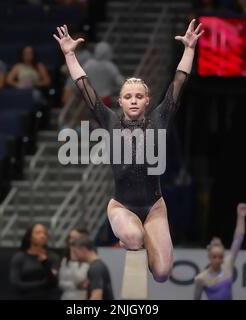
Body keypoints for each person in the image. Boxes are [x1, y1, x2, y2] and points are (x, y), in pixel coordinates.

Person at [53, 21, 204, 282]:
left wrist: (189, 50)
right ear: (120, 101)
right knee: (134, 237)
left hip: (155, 206)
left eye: (138, 96)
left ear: (147, 100)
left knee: (162, 273)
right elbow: (85, 88)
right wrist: (69, 55)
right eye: (128, 96)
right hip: (122, 205)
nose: (133, 100)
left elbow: (178, 84)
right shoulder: (110, 121)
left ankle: (138, 240)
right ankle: (130, 240)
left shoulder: (160, 119)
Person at [194, 203, 246, 300]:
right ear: (209, 257)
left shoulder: (228, 264)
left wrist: (241, 217)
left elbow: (238, 239)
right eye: (214, 257)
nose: (217, 260)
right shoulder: (201, 278)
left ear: (223, 257)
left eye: (220, 257)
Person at [9, 223, 61, 299]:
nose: (42, 236)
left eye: (45, 233)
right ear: (29, 237)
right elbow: (16, 284)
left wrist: (45, 262)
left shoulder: (53, 257)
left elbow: (53, 282)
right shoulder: (19, 257)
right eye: (38, 233)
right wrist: (42, 283)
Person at [70, 234, 114, 300]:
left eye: (75, 252)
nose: (74, 256)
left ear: (83, 250)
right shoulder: (97, 266)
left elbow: (97, 295)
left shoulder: (95, 268)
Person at [58, 227, 90, 300]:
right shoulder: (65, 260)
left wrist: (74, 259)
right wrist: (75, 286)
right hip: (65, 297)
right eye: (70, 238)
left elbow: (80, 279)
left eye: (74, 238)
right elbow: (60, 283)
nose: (71, 241)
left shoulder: (88, 260)